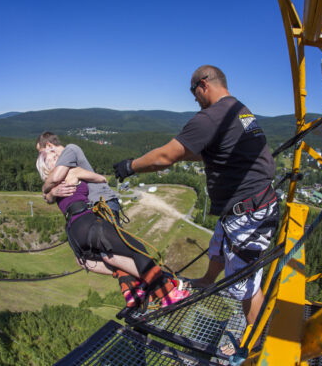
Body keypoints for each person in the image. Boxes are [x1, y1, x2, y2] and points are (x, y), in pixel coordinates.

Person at [113, 65, 279, 337]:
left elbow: (164, 157)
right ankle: (206, 281)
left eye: (194, 94)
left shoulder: (211, 117)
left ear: (203, 84)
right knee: (218, 245)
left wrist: (131, 165)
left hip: (248, 213)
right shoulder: (240, 110)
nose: (195, 101)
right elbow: (215, 152)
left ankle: (257, 342)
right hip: (253, 204)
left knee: (244, 285)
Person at [36, 148, 189, 308]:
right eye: (55, 157)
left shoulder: (49, 190)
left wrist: (50, 191)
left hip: (74, 233)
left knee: (113, 256)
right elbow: (101, 179)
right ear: (48, 168)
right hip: (87, 222)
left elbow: (47, 197)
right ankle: (168, 294)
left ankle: (131, 291)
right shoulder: (72, 171)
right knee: (135, 248)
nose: (61, 157)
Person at [36, 132, 122, 224]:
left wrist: (44, 188)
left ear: (49, 145)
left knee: (111, 236)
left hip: (104, 201)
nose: (41, 156)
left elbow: (55, 178)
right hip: (94, 205)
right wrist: (52, 192)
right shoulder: (62, 165)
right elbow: (48, 198)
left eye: (41, 151)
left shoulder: (70, 149)